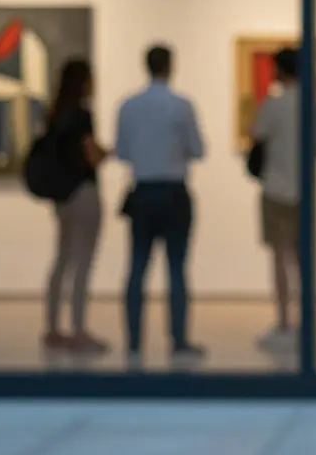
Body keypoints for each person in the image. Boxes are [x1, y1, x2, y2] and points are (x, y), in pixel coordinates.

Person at [114, 44, 207, 363]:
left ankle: (134, 342)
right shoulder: (181, 106)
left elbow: (122, 152)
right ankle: (178, 340)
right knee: (177, 269)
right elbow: (198, 149)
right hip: (174, 192)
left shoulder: (129, 106)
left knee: (137, 267)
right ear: (171, 66)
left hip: (142, 192)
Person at [250, 47, 316, 352]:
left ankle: (284, 323)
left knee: (280, 259)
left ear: (280, 71)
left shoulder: (274, 104)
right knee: (302, 260)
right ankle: (306, 323)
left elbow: (257, 134)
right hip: (304, 191)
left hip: (276, 190)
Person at [41, 58, 110, 354]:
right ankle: (79, 330)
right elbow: (91, 154)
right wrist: (107, 152)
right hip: (84, 192)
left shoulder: (54, 115)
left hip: (62, 197)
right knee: (83, 263)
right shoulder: (82, 115)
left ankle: (52, 327)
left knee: (61, 259)